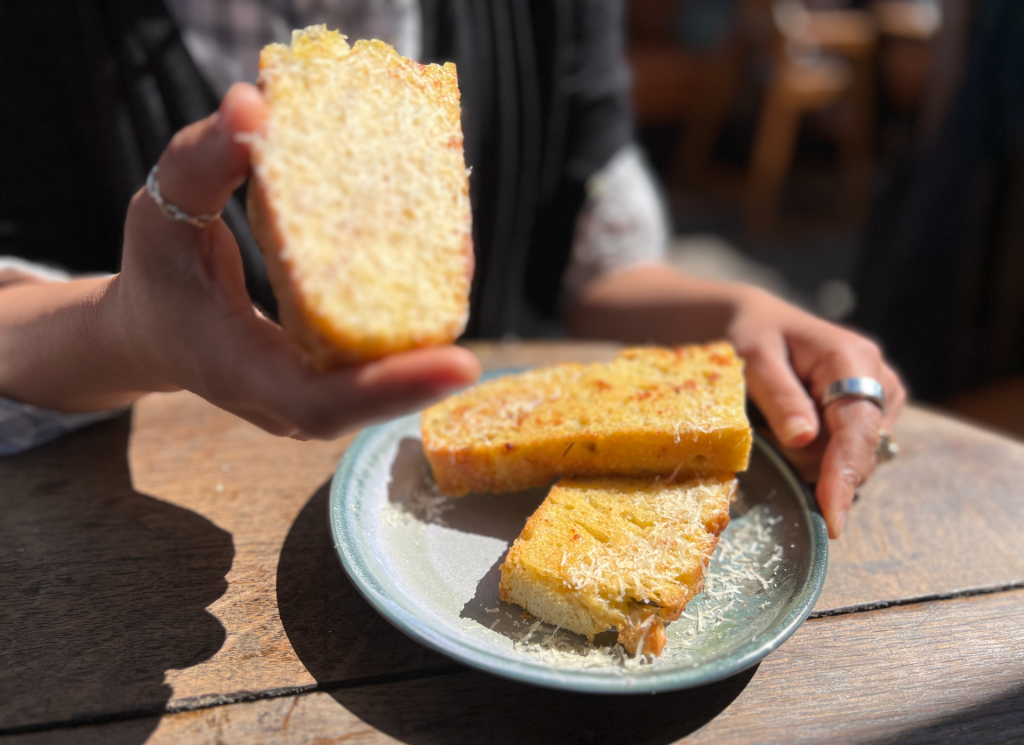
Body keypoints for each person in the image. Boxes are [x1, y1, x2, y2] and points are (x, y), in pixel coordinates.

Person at [0, 0, 904, 539]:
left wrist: (737, 314)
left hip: (476, 530)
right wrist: (127, 330)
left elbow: (593, 265)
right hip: (122, 539)